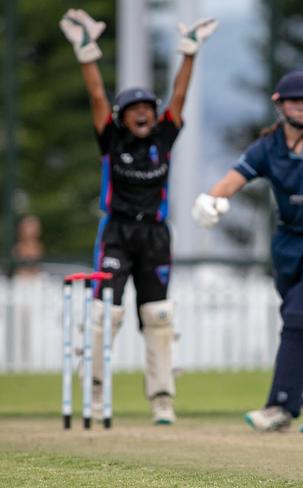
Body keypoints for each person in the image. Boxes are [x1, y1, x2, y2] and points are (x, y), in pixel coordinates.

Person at [60, 8, 217, 424]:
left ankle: (162, 400)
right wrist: (86, 52)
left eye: (149, 106)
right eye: (135, 108)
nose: (144, 112)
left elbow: (179, 97)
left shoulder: (163, 138)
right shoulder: (111, 139)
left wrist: (189, 52)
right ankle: (95, 398)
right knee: (103, 317)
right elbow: (96, 96)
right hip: (116, 233)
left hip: (155, 236)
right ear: (123, 116)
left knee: (158, 318)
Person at [192, 71, 303, 433]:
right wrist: (210, 200)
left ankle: (280, 406)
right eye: (294, 101)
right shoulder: (267, 148)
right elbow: (232, 180)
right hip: (288, 244)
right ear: (280, 104)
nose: (301, 107)